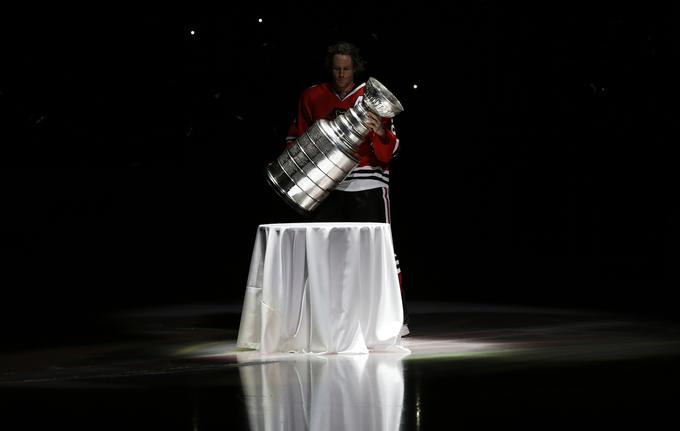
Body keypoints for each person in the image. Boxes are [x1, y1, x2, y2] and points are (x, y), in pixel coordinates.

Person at [284, 41, 409, 336]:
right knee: (325, 252)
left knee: (382, 252)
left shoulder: (373, 97)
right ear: (331, 68)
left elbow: (391, 149)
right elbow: (297, 139)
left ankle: (395, 318)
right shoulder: (312, 95)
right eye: (337, 69)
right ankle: (325, 319)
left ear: (356, 69)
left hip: (369, 182)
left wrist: (379, 130)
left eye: (347, 69)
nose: (341, 74)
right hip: (328, 185)